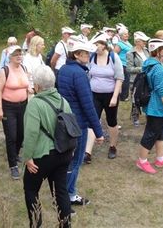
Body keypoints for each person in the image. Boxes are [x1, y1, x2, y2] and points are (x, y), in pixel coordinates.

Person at [22, 65, 73, 228]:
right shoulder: (63, 100)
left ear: (37, 86)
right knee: (61, 192)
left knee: (31, 189)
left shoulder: (34, 104)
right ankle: (65, 225)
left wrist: (27, 157)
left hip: (42, 157)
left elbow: (30, 133)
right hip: (63, 153)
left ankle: (36, 224)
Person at [57, 36, 104, 207]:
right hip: (77, 124)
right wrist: (98, 132)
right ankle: (67, 195)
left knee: (66, 160)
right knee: (75, 161)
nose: (89, 56)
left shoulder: (63, 69)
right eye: (86, 53)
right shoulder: (79, 74)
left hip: (64, 120)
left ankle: (62, 192)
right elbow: (88, 105)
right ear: (76, 55)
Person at [135, 38, 163, 174]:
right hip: (156, 107)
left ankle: (160, 158)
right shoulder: (157, 68)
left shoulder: (150, 63)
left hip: (157, 106)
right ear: (157, 51)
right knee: (151, 133)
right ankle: (142, 161)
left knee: (162, 131)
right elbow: (161, 90)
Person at [84, 32, 124, 162]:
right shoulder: (91, 57)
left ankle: (112, 146)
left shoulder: (114, 57)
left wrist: (114, 97)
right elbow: (89, 75)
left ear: (104, 45)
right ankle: (87, 152)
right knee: (92, 120)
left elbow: (119, 78)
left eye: (97, 44)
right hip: (94, 94)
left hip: (110, 95)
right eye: (94, 44)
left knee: (111, 121)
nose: (95, 47)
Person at [0, 45, 30, 180]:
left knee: (21, 134)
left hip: (23, 105)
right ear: (10, 57)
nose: (19, 56)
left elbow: (27, 85)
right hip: (8, 107)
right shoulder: (5, 71)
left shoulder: (24, 68)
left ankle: (15, 154)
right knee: (11, 136)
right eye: (16, 55)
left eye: (20, 54)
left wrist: (30, 91)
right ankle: (13, 165)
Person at [127, 31, 150, 127]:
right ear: (137, 42)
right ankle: (135, 118)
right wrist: (142, 68)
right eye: (143, 41)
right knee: (135, 99)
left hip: (147, 78)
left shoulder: (147, 51)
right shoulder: (131, 53)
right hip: (136, 80)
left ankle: (149, 117)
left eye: (145, 41)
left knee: (147, 97)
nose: (144, 43)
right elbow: (129, 68)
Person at [113, 27, 132, 101]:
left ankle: (124, 95)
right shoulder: (119, 44)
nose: (126, 35)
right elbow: (115, 53)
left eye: (127, 34)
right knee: (123, 80)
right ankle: (122, 96)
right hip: (122, 64)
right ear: (121, 36)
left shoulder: (128, 43)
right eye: (125, 34)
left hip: (128, 63)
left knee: (127, 80)